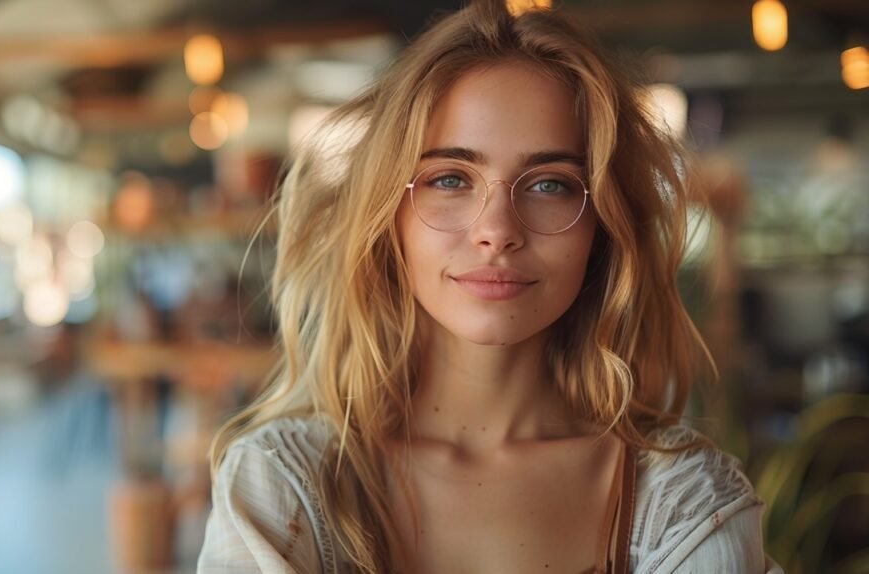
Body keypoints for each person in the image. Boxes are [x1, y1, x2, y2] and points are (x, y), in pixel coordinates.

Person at [198, 1, 780, 572]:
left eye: (550, 184)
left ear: (602, 227)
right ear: (386, 216)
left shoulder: (687, 503)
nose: (497, 232)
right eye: (450, 178)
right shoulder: (281, 486)